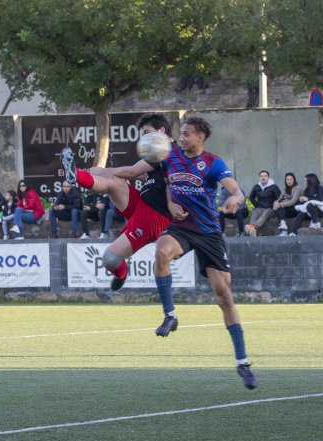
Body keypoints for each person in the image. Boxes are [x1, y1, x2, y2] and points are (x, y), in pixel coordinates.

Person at [152, 116, 259, 390]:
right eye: (181, 133)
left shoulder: (213, 162)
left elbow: (235, 190)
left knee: (224, 297)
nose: (182, 137)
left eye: (187, 133)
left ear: (200, 137)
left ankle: (243, 363)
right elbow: (167, 183)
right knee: (161, 251)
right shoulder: (170, 156)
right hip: (182, 227)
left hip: (209, 233)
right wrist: (170, 204)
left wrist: (235, 198)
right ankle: (170, 315)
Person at [73, 113, 173, 290]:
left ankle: (121, 274)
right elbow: (148, 177)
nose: (144, 138)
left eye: (147, 132)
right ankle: (76, 175)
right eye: (143, 134)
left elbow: (131, 172)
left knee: (109, 259)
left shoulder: (170, 151)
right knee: (112, 182)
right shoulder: (161, 155)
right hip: (143, 203)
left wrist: (103, 170)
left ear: (162, 131)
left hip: (154, 216)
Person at [247, 170, 281, 235]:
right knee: (255, 212)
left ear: (268, 178)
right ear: (259, 178)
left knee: (266, 213)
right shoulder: (256, 187)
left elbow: (279, 198)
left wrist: (274, 205)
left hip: (270, 208)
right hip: (260, 208)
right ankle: (251, 228)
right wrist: (256, 205)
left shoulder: (274, 187)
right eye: (261, 176)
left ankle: (253, 227)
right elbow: (251, 197)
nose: (263, 178)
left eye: (265, 176)